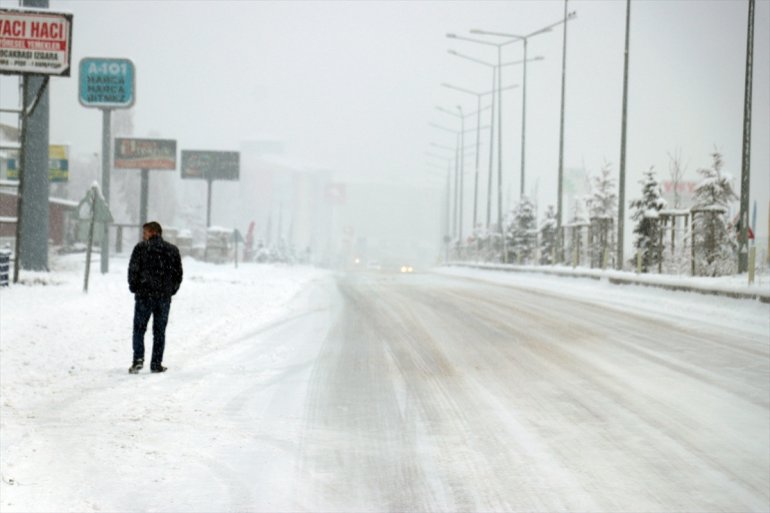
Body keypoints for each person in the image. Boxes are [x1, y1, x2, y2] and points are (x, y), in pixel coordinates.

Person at [127, 221, 183, 374]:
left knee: (139, 329)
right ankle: (156, 363)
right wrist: (171, 290)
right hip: (163, 298)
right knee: (159, 331)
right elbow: (178, 274)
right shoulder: (172, 250)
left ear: (152, 232)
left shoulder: (141, 248)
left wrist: (135, 288)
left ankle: (138, 359)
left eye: (145, 232)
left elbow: (133, 270)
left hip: (144, 296)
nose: (143, 235)